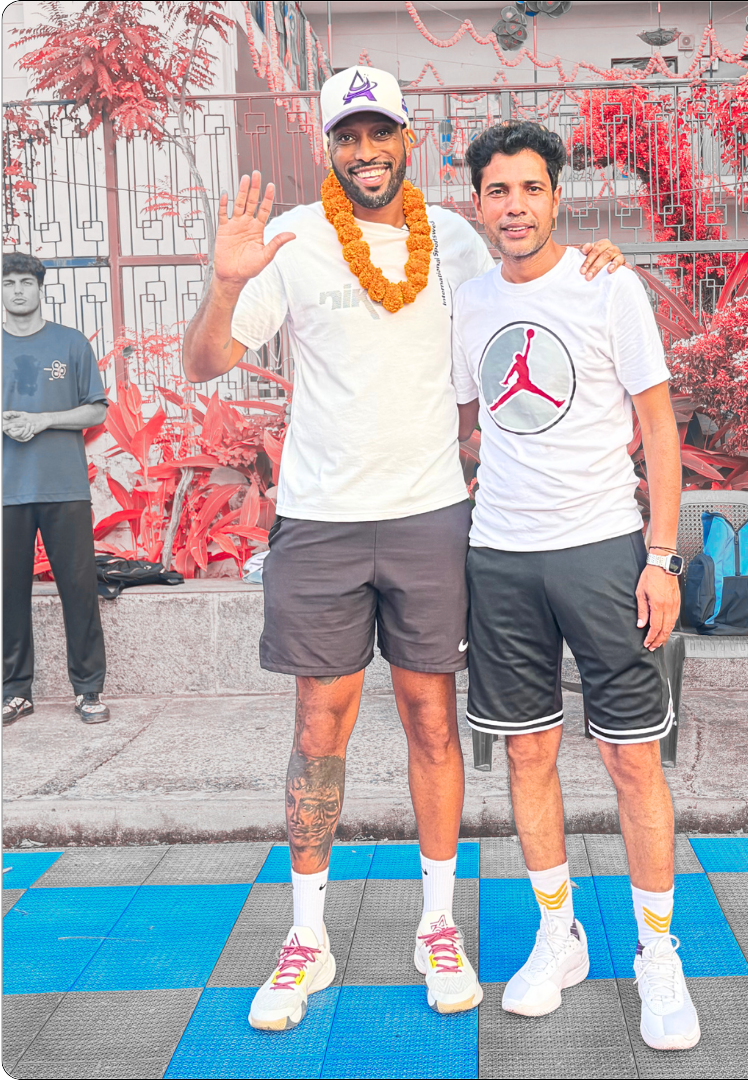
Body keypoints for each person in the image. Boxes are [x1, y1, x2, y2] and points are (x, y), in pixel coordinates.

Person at [181, 65, 624, 1029]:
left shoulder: (458, 240)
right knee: (316, 734)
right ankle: (307, 940)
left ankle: (436, 926)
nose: (367, 151)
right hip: (322, 522)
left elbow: (527, 298)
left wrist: (597, 267)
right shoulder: (290, 240)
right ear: (329, 145)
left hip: (431, 515)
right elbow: (206, 362)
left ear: (405, 141)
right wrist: (224, 286)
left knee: (433, 722)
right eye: (350, 135)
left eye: (382, 133)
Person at [452, 121, 701, 1050]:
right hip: (500, 558)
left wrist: (662, 556)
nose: (512, 206)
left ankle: (657, 955)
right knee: (525, 755)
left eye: (528, 189)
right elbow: (473, 423)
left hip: (603, 551)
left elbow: (660, 430)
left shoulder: (610, 285)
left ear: (556, 196)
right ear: (478, 203)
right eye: (496, 191)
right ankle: (559, 936)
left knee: (632, 758)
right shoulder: (469, 302)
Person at [2, 251, 111, 726]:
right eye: (8, 284)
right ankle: (15, 692)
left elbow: (96, 410)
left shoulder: (70, 345)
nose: (17, 291)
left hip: (64, 488)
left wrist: (43, 421)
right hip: (6, 492)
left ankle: (89, 691)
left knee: (79, 590)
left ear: (39, 288)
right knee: (8, 594)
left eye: (25, 282)